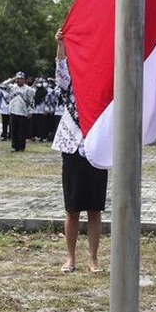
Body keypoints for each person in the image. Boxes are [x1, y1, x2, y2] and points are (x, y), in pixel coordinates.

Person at [52, 29, 108, 273]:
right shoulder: (70, 86)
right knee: (72, 209)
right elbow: (61, 68)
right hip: (72, 146)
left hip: (97, 147)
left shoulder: (104, 86)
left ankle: (93, 259)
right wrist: (61, 44)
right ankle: (70, 258)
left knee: (95, 210)